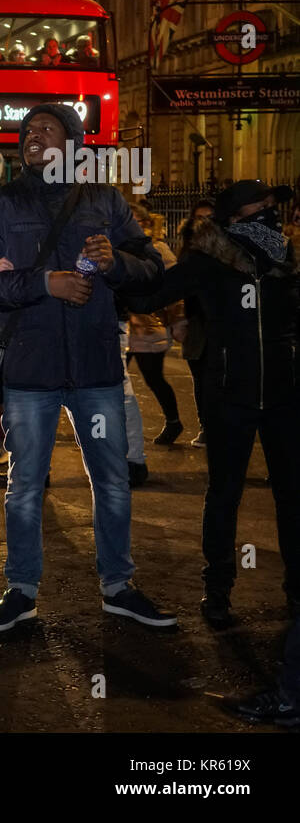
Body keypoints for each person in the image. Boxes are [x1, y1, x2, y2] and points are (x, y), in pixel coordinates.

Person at [0, 103, 176, 632]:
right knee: (25, 486)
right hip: (30, 367)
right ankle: (21, 591)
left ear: (75, 143)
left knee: (111, 482)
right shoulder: (1, 205)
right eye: (28, 130)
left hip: (96, 365)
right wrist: (44, 284)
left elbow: (152, 272)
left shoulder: (105, 200)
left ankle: (118, 586)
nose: (33, 136)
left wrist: (116, 264)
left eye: (47, 129)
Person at [127, 180, 300, 626]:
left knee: (292, 495)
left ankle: (296, 591)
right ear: (236, 216)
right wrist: (120, 263)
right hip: (228, 394)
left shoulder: (284, 257)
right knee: (225, 493)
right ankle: (218, 590)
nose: (270, 213)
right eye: (260, 206)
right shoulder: (207, 259)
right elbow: (150, 294)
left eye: (272, 205)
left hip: (283, 393)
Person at [123, 205, 183, 445]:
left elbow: (175, 287)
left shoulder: (157, 249)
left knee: (153, 378)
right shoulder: (116, 247)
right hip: (122, 327)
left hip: (148, 325)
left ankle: (173, 421)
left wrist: (178, 320)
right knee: (113, 381)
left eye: (137, 221)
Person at [174, 200, 215, 448]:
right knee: (200, 380)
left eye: (209, 218)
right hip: (197, 325)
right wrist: (179, 319)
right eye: (199, 218)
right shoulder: (189, 253)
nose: (203, 223)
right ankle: (206, 427)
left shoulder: (228, 251)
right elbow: (180, 287)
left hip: (222, 326)